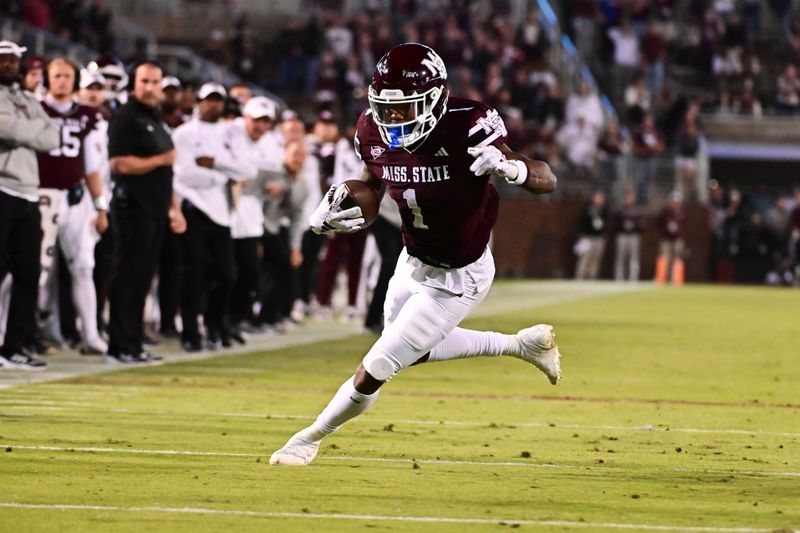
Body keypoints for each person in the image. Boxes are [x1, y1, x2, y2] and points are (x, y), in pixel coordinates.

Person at [270, 43, 561, 466]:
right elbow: (371, 184)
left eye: (406, 108)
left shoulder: (470, 124)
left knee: (376, 368)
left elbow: (546, 178)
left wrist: (512, 168)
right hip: (412, 261)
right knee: (415, 350)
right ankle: (521, 345)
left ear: (436, 99)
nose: (394, 119)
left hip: (460, 275)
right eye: (387, 109)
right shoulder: (371, 128)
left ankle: (308, 438)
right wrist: (339, 206)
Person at [106, 60, 186, 363]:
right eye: (144, 82)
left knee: (142, 279)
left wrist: (173, 208)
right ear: (134, 84)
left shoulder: (156, 116)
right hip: (133, 208)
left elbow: (166, 174)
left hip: (154, 209)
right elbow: (120, 164)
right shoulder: (126, 117)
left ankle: (134, 342)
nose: (150, 88)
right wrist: (159, 160)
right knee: (127, 276)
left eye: (155, 82)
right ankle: (119, 344)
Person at [171, 82, 256, 351]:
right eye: (209, 99)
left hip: (224, 212)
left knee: (227, 275)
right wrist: (223, 176)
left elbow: (248, 171)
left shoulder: (233, 133)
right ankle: (189, 333)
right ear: (198, 101)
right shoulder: (184, 133)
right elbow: (184, 174)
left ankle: (213, 326)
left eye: (218, 100)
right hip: (194, 208)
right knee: (193, 275)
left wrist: (216, 163)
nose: (213, 104)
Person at [35, 58, 109, 354]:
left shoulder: (88, 115)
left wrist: (100, 206)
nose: (62, 81)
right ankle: (13, 333)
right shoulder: (35, 108)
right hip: (40, 196)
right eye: (57, 76)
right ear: (47, 78)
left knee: (83, 267)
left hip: (75, 198)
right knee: (27, 270)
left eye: (67, 76)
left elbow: (92, 167)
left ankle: (90, 333)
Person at [0, 40, 60, 370]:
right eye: (3, 59)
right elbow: (5, 128)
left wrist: (23, 130)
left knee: (28, 274)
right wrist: (30, 130)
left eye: (13, 59)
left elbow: (52, 137)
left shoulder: (26, 98)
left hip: (28, 191)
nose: (8, 64)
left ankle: (13, 347)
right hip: (1, 186)